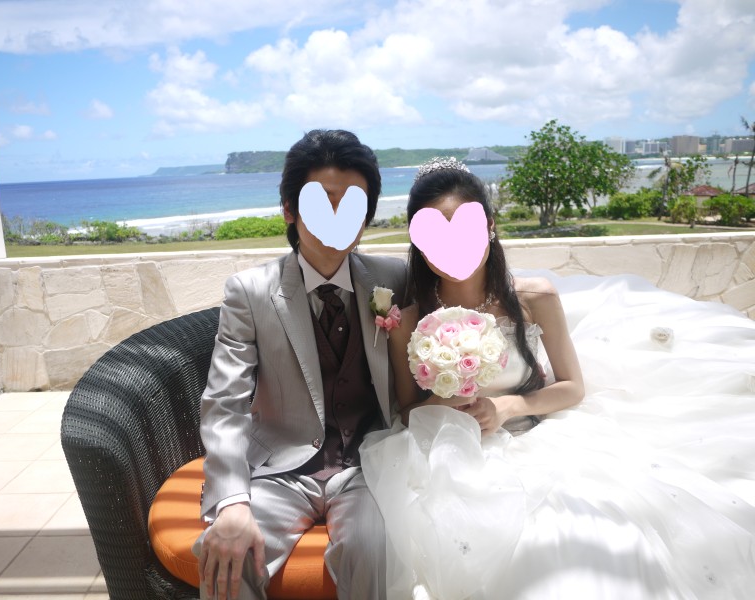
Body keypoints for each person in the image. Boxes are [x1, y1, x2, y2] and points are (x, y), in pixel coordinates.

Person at [360, 158, 755, 599]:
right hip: (448, 454)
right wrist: (446, 401)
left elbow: (572, 387)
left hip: (535, 438)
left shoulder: (535, 298)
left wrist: (507, 407)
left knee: (580, 536)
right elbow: (407, 411)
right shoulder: (407, 321)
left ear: (489, 227)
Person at [194, 129, 406, 600]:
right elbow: (225, 402)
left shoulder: (394, 277)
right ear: (290, 209)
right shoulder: (250, 292)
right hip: (280, 469)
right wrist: (232, 501)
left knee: (377, 548)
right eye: (323, 201)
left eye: (353, 204)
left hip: (369, 464)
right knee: (226, 558)